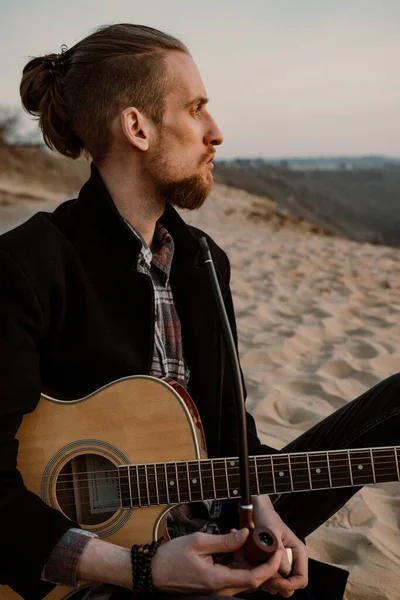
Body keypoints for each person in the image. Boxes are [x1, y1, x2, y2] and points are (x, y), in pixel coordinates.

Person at [0, 23, 399, 600]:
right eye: (196, 109)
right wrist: (142, 567)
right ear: (137, 127)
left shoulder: (204, 261)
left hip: (213, 519)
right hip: (103, 571)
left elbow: (233, 432)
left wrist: (263, 515)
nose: (216, 133)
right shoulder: (28, 267)